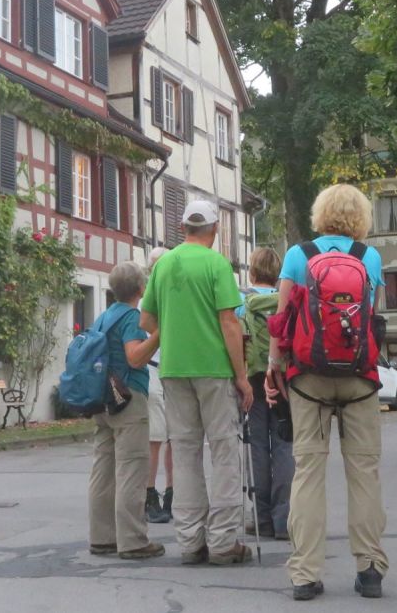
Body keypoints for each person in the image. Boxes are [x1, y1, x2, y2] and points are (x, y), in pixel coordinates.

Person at [265, 185, 388, 601]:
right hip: (359, 377)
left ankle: (305, 573)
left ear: (320, 214)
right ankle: (370, 569)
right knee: (364, 471)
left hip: (308, 377)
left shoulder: (298, 255)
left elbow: (281, 318)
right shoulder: (369, 257)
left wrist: (274, 367)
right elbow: (372, 320)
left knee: (308, 472)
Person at [141, 199, 253, 565]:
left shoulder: (164, 264)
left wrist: (174, 331)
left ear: (183, 228)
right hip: (214, 369)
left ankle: (190, 540)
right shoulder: (217, 264)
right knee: (224, 451)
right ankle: (222, 540)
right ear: (215, 229)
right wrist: (241, 377)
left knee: (185, 452)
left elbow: (146, 320)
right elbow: (229, 323)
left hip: (174, 369)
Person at [87, 261, 166, 560]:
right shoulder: (132, 317)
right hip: (127, 397)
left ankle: (102, 537)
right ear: (141, 288)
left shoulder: (103, 317)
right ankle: (132, 540)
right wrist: (159, 334)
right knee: (132, 467)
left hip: (103, 398)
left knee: (103, 469)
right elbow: (134, 357)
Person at [239, 247, 290, 541]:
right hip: (282, 377)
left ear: (252, 272)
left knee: (256, 446)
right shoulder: (285, 299)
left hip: (254, 378)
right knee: (284, 443)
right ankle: (283, 519)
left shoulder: (242, 302)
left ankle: (261, 518)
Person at [144, 246, 174, 525]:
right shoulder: (146, 301)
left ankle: (172, 493)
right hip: (154, 370)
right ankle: (150, 493)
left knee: (175, 438)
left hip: (174, 371)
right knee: (155, 438)